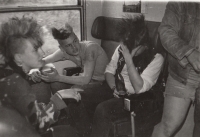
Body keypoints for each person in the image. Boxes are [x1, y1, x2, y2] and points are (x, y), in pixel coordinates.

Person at [0, 16, 82, 137]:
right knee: (71, 132)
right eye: (35, 50)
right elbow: (40, 125)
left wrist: (29, 76)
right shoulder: (17, 84)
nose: (42, 53)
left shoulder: (8, 74)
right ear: (18, 57)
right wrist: (59, 98)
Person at [90, 14, 164, 137]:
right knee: (83, 95)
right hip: (119, 90)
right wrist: (115, 88)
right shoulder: (122, 48)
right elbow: (109, 71)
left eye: (130, 49)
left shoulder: (156, 58)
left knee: (103, 109)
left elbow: (139, 89)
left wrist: (129, 60)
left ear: (143, 46)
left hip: (139, 99)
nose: (125, 51)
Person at [30, 23, 114, 120]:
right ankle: (70, 116)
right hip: (90, 82)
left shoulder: (90, 49)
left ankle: (80, 126)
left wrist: (58, 77)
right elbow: (43, 61)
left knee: (72, 89)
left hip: (104, 85)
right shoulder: (63, 52)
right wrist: (34, 69)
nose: (74, 47)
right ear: (62, 48)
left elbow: (85, 80)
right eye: (69, 45)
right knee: (55, 84)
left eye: (75, 41)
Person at [151, 2, 200, 137]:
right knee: (168, 126)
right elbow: (165, 31)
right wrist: (189, 52)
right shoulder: (180, 3)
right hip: (184, 74)